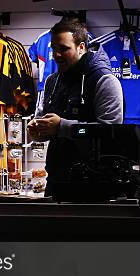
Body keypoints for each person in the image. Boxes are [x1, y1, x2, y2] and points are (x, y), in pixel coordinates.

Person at [27, 19, 124, 198]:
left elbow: (110, 135)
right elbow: (49, 124)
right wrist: (40, 129)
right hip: (56, 181)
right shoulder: (52, 81)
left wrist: (63, 127)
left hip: (94, 186)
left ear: (81, 47)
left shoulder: (104, 81)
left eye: (63, 49)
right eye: (53, 49)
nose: (56, 55)